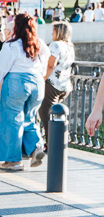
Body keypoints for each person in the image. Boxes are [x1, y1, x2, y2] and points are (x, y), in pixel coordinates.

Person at [0, 12, 49, 171]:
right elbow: (47, 56)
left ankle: (12, 161)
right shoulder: (38, 43)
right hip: (37, 83)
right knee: (29, 118)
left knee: (11, 121)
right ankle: (36, 148)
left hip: (17, 83)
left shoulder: (11, 45)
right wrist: (41, 74)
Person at [37, 21, 74, 152]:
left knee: (46, 115)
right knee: (56, 115)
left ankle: (51, 144)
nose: (51, 33)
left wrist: (43, 79)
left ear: (58, 32)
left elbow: (51, 64)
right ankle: (57, 142)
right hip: (64, 85)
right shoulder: (69, 46)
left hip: (52, 85)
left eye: (53, 30)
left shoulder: (56, 45)